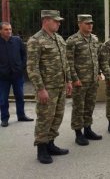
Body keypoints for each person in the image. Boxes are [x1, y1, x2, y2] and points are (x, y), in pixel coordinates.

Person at [27, 10, 72, 164]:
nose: (59, 23)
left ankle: (51, 144)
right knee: (45, 119)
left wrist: (69, 81)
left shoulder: (59, 39)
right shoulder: (36, 40)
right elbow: (32, 68)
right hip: (47, 88)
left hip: (60, 86)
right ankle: (41, 149)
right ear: (46, 20)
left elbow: (65, 63)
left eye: (59, 21)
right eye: (56, 21)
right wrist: (40, 89)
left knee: (57, 117)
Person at [66, 14, 102, 146]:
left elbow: (96, 58)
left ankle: (88, 129)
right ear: (79, 24)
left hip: (92, 80)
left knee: (90, 105)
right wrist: (74, 79)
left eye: (91, 23)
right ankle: (78, 133)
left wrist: (98, 73)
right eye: (87, 23)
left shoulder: (94, 39)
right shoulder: (73, 40)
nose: (90, 25)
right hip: (80, 81)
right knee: (78, 107)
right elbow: (69, 62)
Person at [0, 22, 33, 128]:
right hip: (3, 77)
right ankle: (4, 119)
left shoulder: (17, 40)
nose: (9, 31)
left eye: (10, 29)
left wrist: (21, 68)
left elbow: (24, 54)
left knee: (20, 96)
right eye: (6, 29)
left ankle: (21, 115)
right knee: (3, 98)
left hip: (17, 75)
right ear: (0, 31)